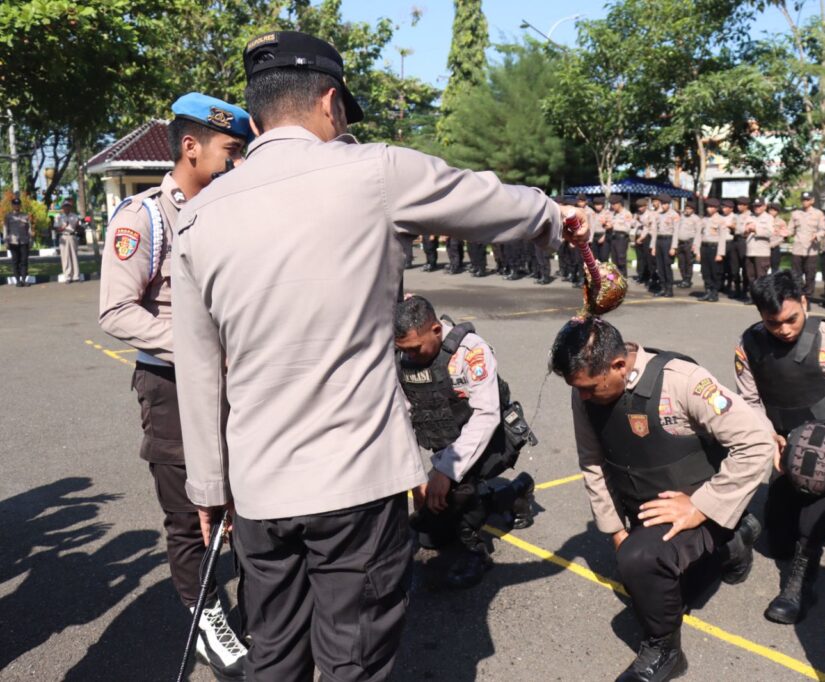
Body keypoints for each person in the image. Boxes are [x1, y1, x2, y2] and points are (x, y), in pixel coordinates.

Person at [171, 31, 587, 681]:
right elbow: (493, 205)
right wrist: (558, 218)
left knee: (274, 651)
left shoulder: (197, 219)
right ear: (331, 102)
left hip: (256, 486)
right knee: (353, 655)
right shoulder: (372, 171)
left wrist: (207, 487)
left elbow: (197, 369)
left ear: (254, 117)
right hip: (353, 480)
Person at [98, 92, 252, 678]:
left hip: (240, 382)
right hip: (172, 387)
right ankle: (206, 613)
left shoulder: (233, 208)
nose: (240, 162)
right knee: (190, 512)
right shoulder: (144, 217)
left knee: (245, 497)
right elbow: (115, 312)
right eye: (231, 151)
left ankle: (259, 602)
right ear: (191, 147)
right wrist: (194, 343)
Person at [551, 316, 773, 682]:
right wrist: (613, 529)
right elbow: (591, 461)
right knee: (638, 562)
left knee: (640, 560)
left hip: (695, 506)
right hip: (647, 507)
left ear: (619, 365)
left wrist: (702, 506)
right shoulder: (585, 388)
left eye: (590, 387)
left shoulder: (682, 382)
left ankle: (665, 651)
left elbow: (756, 443)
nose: (583, 396)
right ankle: (735, 540)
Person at [734, 270, 825, 624]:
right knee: (777, 541)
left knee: (813, 511)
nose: (784, 329)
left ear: (805, 302)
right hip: (786, 437)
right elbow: (750, 402)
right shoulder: (748, 345)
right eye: (773, 323)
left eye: (792, 319)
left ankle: (802, 581)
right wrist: (767, 435)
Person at [394, 296, 536, 587]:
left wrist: (445, 471)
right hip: (448, 443)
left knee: (457, 491)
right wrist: (416, 478)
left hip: (493, 439)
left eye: (416, 348)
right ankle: (514, 493)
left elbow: (486, 416)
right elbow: (402, 417)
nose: (411, 355)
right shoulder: (402, 357)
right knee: (431, 534)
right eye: (404, 350)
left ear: (436, 329)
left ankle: (476, 552)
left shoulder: (471, 351)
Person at [789, 191, 825, 310]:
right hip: (798, 249)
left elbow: (823, 230)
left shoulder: (818, 214)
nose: (805, 202)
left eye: (807, 199)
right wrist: (784, 233)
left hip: (811, 250)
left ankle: (808, 298)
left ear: (812, 200)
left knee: (810, 276)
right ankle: (799, 298)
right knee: (796, 276)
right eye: (803, 199)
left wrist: (817, 235)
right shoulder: (795, 214)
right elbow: (790, 230)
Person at [695, 198, 726, 302]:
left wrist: (720, 253)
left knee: (715, 272)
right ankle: (707, 291)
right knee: (705, 271)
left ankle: (714, 292)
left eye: (712, 207)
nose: (709, 209)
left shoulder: (721, 220)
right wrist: (697, 251)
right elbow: (698, 235)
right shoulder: (703, 220)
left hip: (714, 248)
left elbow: (722, 238)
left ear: (717, 208)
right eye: (708, 206)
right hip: (704, 247)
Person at [652, 193, 679, 298]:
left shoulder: (674, 215)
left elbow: (676, 232)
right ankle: (662, 288)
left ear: (669, 204)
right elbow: (655, 231)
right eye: (662, 203)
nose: (663, 205)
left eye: (665, 204)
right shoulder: (658, 215)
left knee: (667, 266)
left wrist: (674, 247)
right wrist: (653, 246)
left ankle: (669, 289)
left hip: (668, 241)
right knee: (660, 266)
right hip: (659, 241)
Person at [742, 198, 773, 286]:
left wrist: (756, 229)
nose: (757, 208)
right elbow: (743, 233)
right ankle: (753, 297)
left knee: (761, 277)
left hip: (761, 252)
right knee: (750, 277)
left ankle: (761, 298)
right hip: (750, 251)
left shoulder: (768, 218)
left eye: (759, 206)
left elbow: (770, 232)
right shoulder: (750, 217)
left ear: (764, 207)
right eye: (755, 206)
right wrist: (746, 231)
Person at [4, 197, 34, 287]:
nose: (16, 206)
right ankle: (17, 281)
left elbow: (29, 228)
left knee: (24, 261)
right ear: (12, 205)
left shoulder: (25, 216)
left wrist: (31, 240)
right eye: (15, 204)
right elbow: (5, 229)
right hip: (13, 242)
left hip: (24, 241)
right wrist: (6, 241)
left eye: (18, 204)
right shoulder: (8, 216)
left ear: (20, 205)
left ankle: (24, 280)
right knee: (15, 261)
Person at [728, 198, 751, 301]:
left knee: (746, 267)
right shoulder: (736, 216)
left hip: (744, 241)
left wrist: (735, 228)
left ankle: (745, 290)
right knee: (734, 268)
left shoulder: (751, 216)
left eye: (742, 205)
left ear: (746, 206)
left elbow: (745, 230)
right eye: (738, 204)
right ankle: (736, 289)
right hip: (735, 240)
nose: (739, 206)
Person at [55, 199, 81, 283]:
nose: (67, 208)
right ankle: (67, 276)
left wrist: (79, 226)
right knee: (65, 257)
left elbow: (77, 227)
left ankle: (76, 275)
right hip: (64, 236)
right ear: (62, 208)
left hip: (72, 236)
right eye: (65, 206)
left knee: (74, 256)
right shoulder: (59, 217)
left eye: (68, 206)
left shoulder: (74, 216)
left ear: (70, 207)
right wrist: (64, 227)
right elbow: (56, 229)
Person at [676, 199, 700, 288]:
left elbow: (698, 233)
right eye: (686, 208)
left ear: (693, 210)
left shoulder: (696, 219)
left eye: (690, 209)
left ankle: (688, 280)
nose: (687, 210)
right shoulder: (682, 217)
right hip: (680, 243)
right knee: (681, 262)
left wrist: (695, 245)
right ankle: (683, 279)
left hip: (689, 242)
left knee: (688, 262)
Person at [608, 194, 633, 276]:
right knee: (614, 260)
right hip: (614, 237)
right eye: (612, 204)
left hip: (622, 238)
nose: (613, 206)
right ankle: (616, 279)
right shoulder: (614, 214)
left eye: (614, 204)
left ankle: (623, 278)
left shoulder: (626, 213)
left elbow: (627, 228)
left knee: (621, 259)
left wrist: (614, 226)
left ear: (619, 203)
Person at [768, 201, 789, 274]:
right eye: (770, 210)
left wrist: (773, 244)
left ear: (777, 211)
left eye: (774, 210)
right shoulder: (765, 220)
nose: (772, 212)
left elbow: (784, 237)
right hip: (764, 247)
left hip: (775, 247)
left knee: (775, 268)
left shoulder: (781, 222)